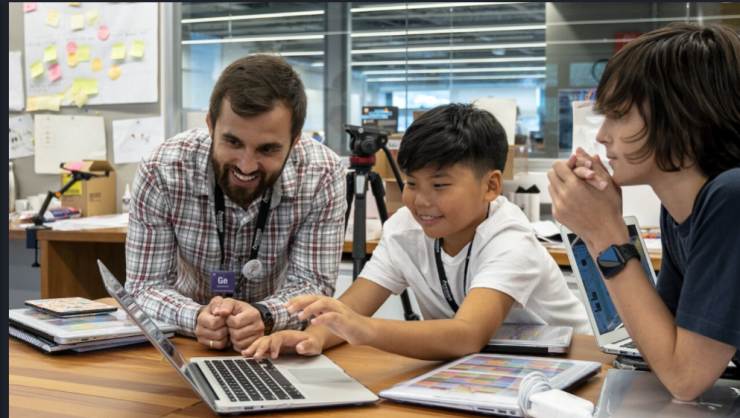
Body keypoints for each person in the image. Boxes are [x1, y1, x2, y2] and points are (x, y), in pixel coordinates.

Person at [243, 103, 590, 362]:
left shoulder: (510, 238)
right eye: (411, 183)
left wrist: (365, 329)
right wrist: (313, 338)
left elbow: (467, 335)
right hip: (485, 367)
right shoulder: (404, 230)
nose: (421, 200)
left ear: (491, 186)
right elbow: (351, 309)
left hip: (572, 364)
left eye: (439, 185)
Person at [548, 22, 740, 400]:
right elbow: (660, 344)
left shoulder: (731, 196)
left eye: (619, 114)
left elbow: (685, 378)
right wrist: (597, 231)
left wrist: (606, 234)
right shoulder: (681, 208)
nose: (601, 135)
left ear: (684, 117)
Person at [125, 55, 347, 352]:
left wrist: (265, 315)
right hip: (184, 341)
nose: (246, 165)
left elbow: (314, 286)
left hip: (272, 343)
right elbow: (144, 288)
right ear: (210, 125)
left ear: (294, 142)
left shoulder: (322, 174)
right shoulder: (162, 170)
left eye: (267, 149)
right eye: (233, 142)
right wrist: (195, 317)